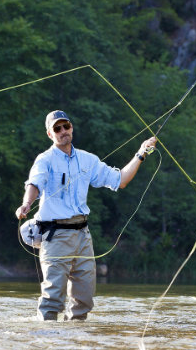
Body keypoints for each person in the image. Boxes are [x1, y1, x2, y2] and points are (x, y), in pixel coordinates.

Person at [16, 110, 158, 321]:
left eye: (66, 126)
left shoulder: (88, 159)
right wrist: (26, 204)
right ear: (50, 134)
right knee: (52, 298)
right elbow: (34, 183)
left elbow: (120, 180)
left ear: (71, 127)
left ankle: (76, 344)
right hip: (55, 236)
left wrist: (141, 153)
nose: (63, 131)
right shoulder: (44, 159)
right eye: (57, 128)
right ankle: (46, 345)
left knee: (84, 299)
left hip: (83, 235)